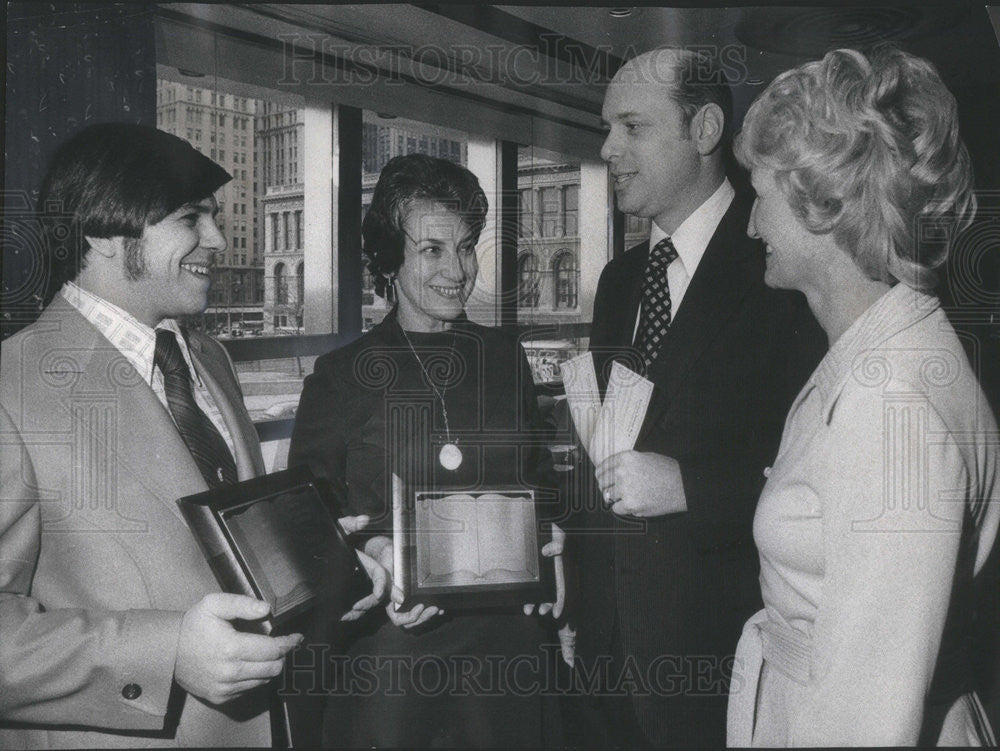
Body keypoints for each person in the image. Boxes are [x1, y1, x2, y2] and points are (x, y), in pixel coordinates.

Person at [0, 123, 384, 748]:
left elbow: (230, 546)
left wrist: (329, 569)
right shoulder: (10, 388)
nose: (219, 239)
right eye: (190, 218)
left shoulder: (206, 359)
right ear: (101, 230)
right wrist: (163, 654)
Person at [724, 46, 1000, 746]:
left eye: (759, 196)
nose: (751, 225)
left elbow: (866, 718)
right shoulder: (873, 357)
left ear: (824, 204)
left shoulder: (892, 404)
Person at [566, 48, 826, 748]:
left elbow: (832, 485)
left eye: (631, 127)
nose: (607, 148)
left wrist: (691, 487)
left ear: (705, 128)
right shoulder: (620, 282)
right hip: (604, 667)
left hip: (721, 666)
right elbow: (608, 444)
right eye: (606, 127)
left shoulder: (786, 266)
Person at [288, 153, 565, 747]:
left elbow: (541, 482)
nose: (457, 270)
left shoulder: (502, 358)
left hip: (508, 650)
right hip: (393, 653)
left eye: (466, 247)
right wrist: (372, 550)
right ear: (389, 259)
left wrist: (552, 533)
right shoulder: (341, 376)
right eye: (432, 250)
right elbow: (307, 520)